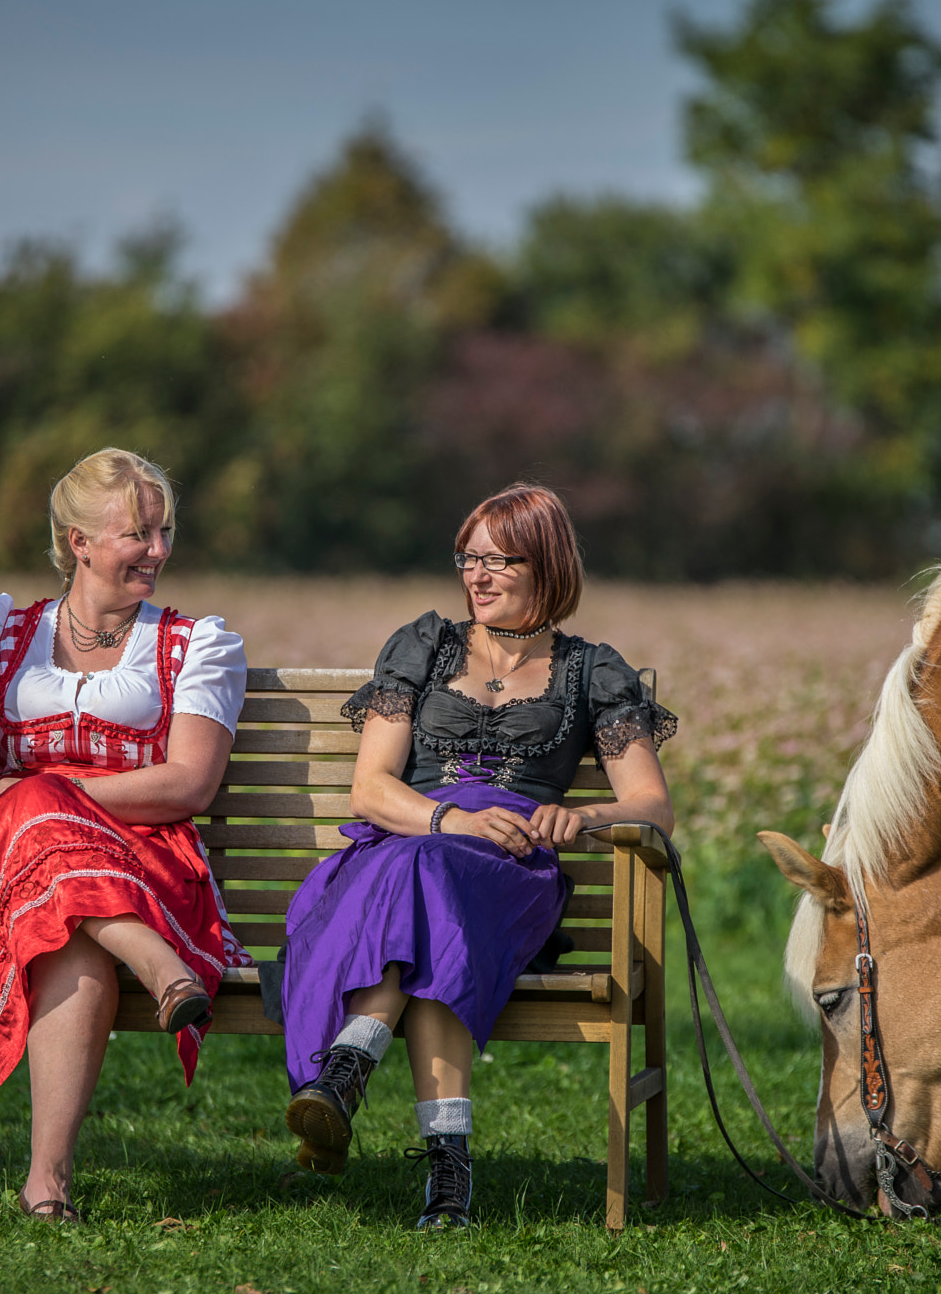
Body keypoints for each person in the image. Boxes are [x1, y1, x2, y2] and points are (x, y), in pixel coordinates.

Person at [278, 483, 677, 1230]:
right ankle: (449, 1183)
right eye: (469, 557)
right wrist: (448, 819)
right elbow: (371, 789)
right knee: (426, 880)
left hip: (510, 870)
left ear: (548, 565)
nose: (478, 574)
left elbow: (652, 805)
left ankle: (346, 1071)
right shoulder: (423, 648)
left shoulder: (593, 672)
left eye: (500, 559)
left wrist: (580, 813)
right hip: (404, 847)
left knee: (432, 883)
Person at [0, 448, 248, 1223]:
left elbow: (189, 784)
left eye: (164, 530)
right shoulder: (2, 632)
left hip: (139, 859)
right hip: (7, 868)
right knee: (44, 863)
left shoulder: (194, 644)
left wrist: (49, 791)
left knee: (63, 907)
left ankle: (46, 1183)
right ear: (78, 540)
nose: (159, 550)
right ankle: (155, 963)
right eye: (139, 532)